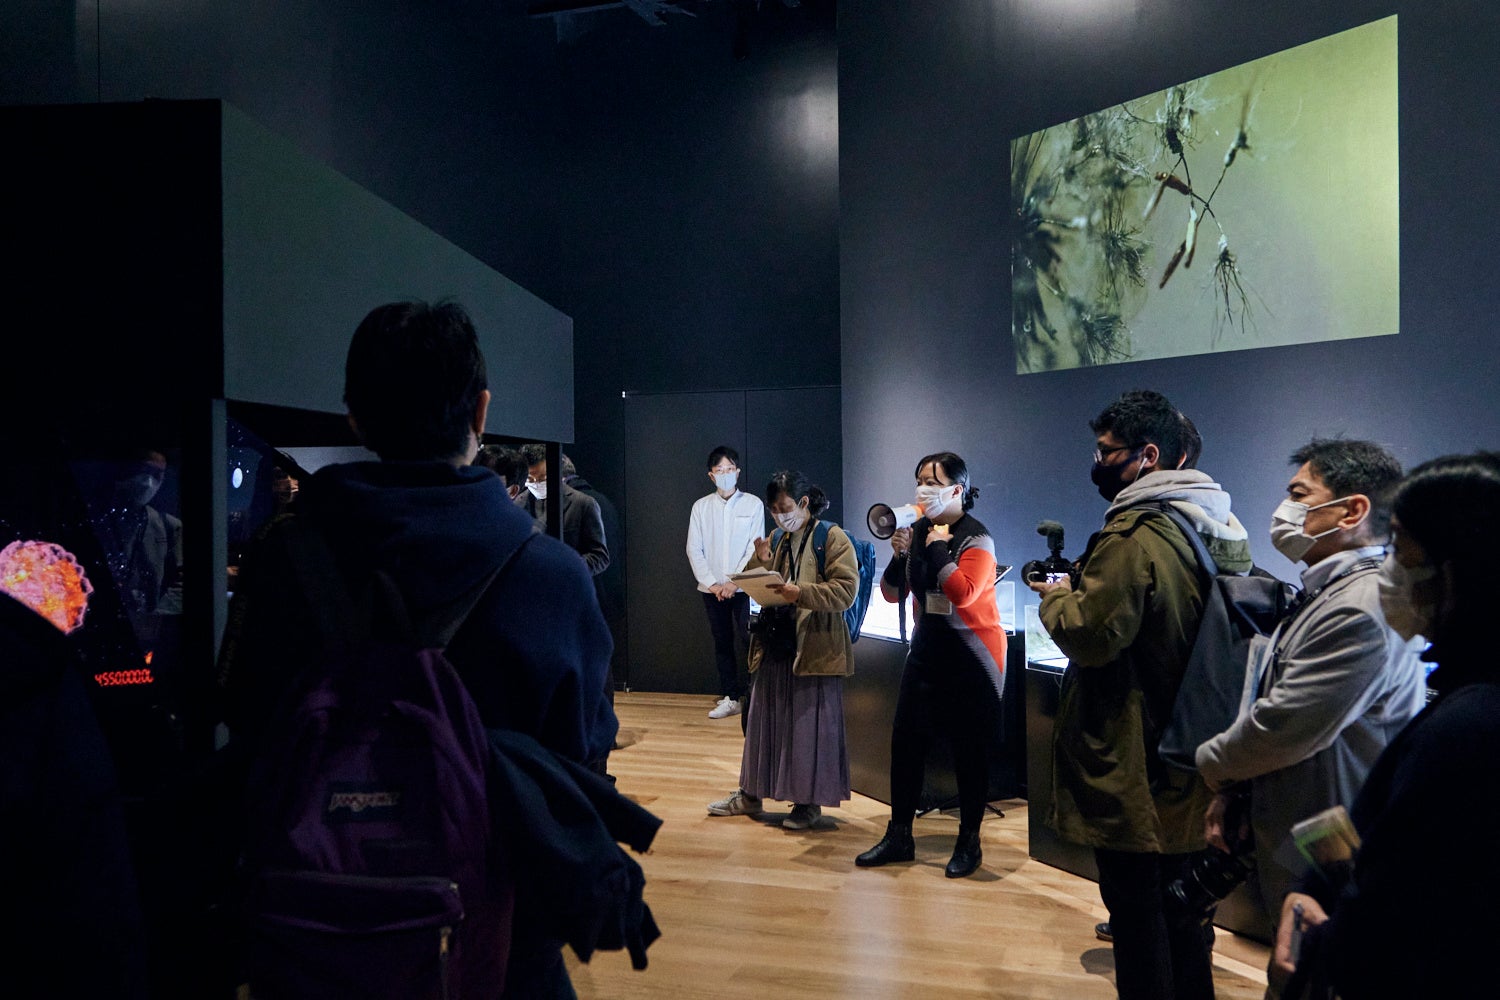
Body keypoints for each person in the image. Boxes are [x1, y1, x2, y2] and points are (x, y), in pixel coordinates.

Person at [218, 299, 618, 996]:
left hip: (316, 933)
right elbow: (584, 761)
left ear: (354, 417)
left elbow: (246, 722)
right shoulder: (552, 577)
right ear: (481, 412)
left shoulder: (284, 559)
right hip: (500, 940)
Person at [1028, 389, 1250, 1000]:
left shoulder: (1135, 534)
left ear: (1148, 456)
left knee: (1138, 921)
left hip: (1135, 757)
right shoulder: (1213, 525)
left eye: (1107, 452)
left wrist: (1057, 599)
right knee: (1184, 916)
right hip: (1190, 746)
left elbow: (1092, 634)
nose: (1098, 463)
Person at [1193, 439, 1426, 976]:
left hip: (1334, 844)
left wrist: (1210, 766)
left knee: (1317, 975)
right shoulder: (1336, 591)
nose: (1286, 509)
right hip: (1310, 830)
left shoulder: (1360, 607)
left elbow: (1285, 724)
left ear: (1352, 510)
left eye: (1300, 495)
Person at [1273, 452, 1500, 1000]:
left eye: (1399, 545)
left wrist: (1325, 938)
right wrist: (1313, 885)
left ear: (1451, 568)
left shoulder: (1471, 726)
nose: (1390, 566)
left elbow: (1404, 915)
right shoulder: (1465, 696)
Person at [855, 451, 1008, 879]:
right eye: (919, 479)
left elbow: (963, 593)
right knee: (905, 743)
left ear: (957, 489)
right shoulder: (918, 530)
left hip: (973, 658)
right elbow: (891, 593)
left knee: (969, 753)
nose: (923, 489)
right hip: (926, 653)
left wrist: (938, 549)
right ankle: (899, 835)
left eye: (932, 481)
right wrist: (899, 555)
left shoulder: (978, 539)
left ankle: (969, 842)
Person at [705, 470, 858, 830]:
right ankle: (751, 794)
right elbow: (755, 581)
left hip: (814, 648)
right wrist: (760, 560)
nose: (779, 516)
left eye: (785, 508)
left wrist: (800, 593)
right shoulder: (777, 537)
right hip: (775, 644)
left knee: (807, 729)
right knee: (763, 723)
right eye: (773, 510)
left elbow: (846, 591)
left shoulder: (831, 537)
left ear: (804, 502)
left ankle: (807, 803)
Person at [686, 445, 765, 720]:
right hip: (712, 590)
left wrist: (734, 582)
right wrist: (713, 584)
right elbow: (694, 549)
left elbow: (754, 549)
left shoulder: (753, 504)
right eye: (719, 470)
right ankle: (730, 696)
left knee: (750, 640)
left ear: (738, 471)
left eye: (729, 469)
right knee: (722, 641)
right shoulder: (701, 507)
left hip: (744, 588)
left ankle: (755, 697)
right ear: (711, 475)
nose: (725, 474)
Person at [516, 442, 610, 577]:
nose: (536, 483)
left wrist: (564, 568)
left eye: (543, 478)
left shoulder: (583, 504)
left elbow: (600, 556)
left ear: (558, 473)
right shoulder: (516, 505)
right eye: (530, 479)